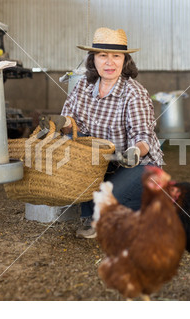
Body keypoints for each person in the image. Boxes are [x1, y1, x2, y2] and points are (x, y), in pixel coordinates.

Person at [59, 27, 163, 238]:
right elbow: (70, 123)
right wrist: (59, 123)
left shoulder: (134, 92)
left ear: (125, 61)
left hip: (137, 164)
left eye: (116, 56)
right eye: (102, 55)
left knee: (106, 196)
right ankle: (100, 216)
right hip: (101, 163)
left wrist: (135, 151)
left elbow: (143, 136)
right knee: (79, 173)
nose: (109, 62)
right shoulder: (82, 88)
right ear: (92, 59)